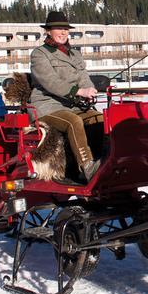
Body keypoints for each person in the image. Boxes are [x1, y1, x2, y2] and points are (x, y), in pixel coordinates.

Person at [29, 10, 104, 181]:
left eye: (66, 29)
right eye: (58, 29)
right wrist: (77, 92)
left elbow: (84, 78)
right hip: (47, 106)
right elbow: (50, 82)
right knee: (73, 121)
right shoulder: (39, 54)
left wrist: (89, 91)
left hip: (71, 105)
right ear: (48, 31)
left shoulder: (75, 54)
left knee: (97, 118)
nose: (63, 32)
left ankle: (99, 159)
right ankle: (87, 167)